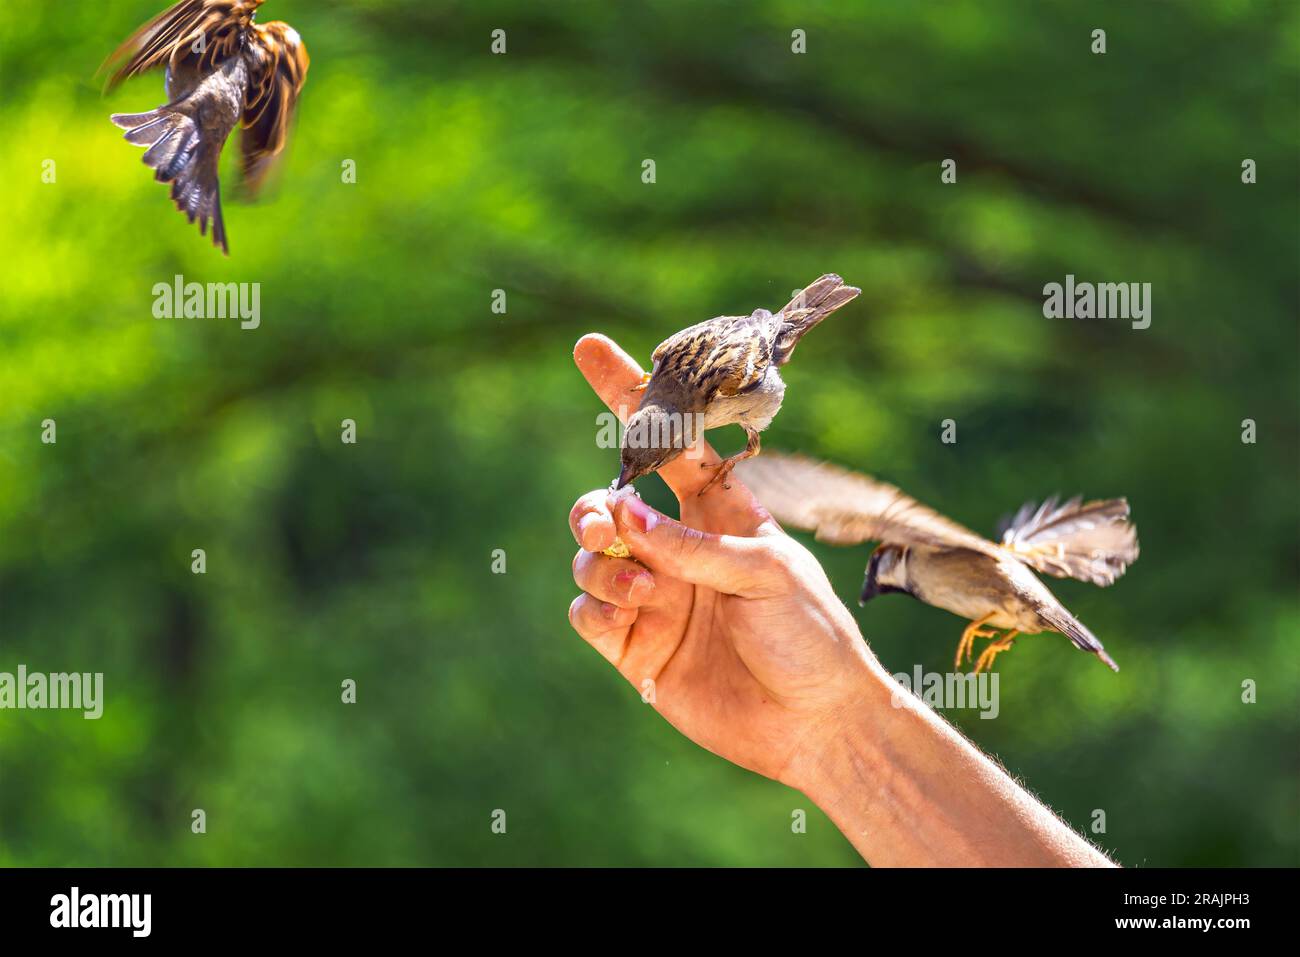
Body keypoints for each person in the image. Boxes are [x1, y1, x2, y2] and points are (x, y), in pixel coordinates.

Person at [567, 334, 1115, 867]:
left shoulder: (932, 549)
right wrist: (831, 727)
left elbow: (867, 509)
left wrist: (836, 726)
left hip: (1013, 592)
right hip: (1010, 596)